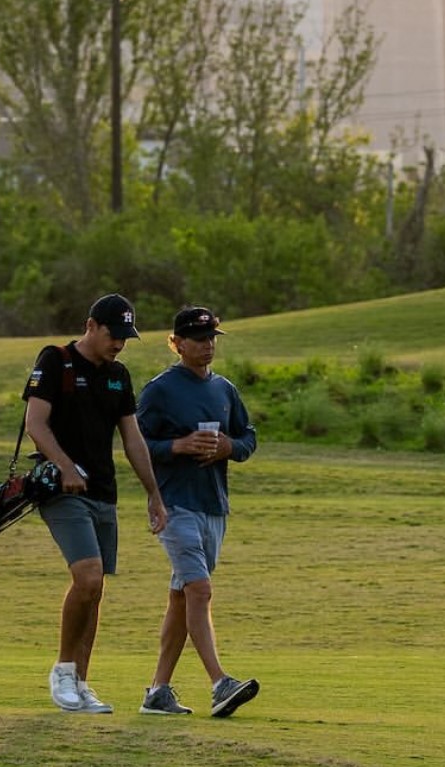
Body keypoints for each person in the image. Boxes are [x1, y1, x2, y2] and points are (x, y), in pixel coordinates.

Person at [24, 292, 168, 714]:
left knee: (96, 589)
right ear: (91, 326)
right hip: (63, 491)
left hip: (104, 492)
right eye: (113, 334)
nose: (119, 343)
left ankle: (82, 684)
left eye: (125, 336)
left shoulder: (118, 375)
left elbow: (133, 439)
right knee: (86, 578)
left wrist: (154, 494)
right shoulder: (56, 360)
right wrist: (66, 467)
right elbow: (35, 424)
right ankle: (63, 672)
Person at [135, 304, 259, 719]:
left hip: (213, 505)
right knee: (200, 591)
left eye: (211, 339)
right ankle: (220, 683)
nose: (207, 346)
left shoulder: (224, 389)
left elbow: (248, 437)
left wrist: (228, 447)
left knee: (182, 597)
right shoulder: (160, 390)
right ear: (177, 343)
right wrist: (178, 446)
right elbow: (136, 444)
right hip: (175, 505)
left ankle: (157, 692)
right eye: (198, 339)